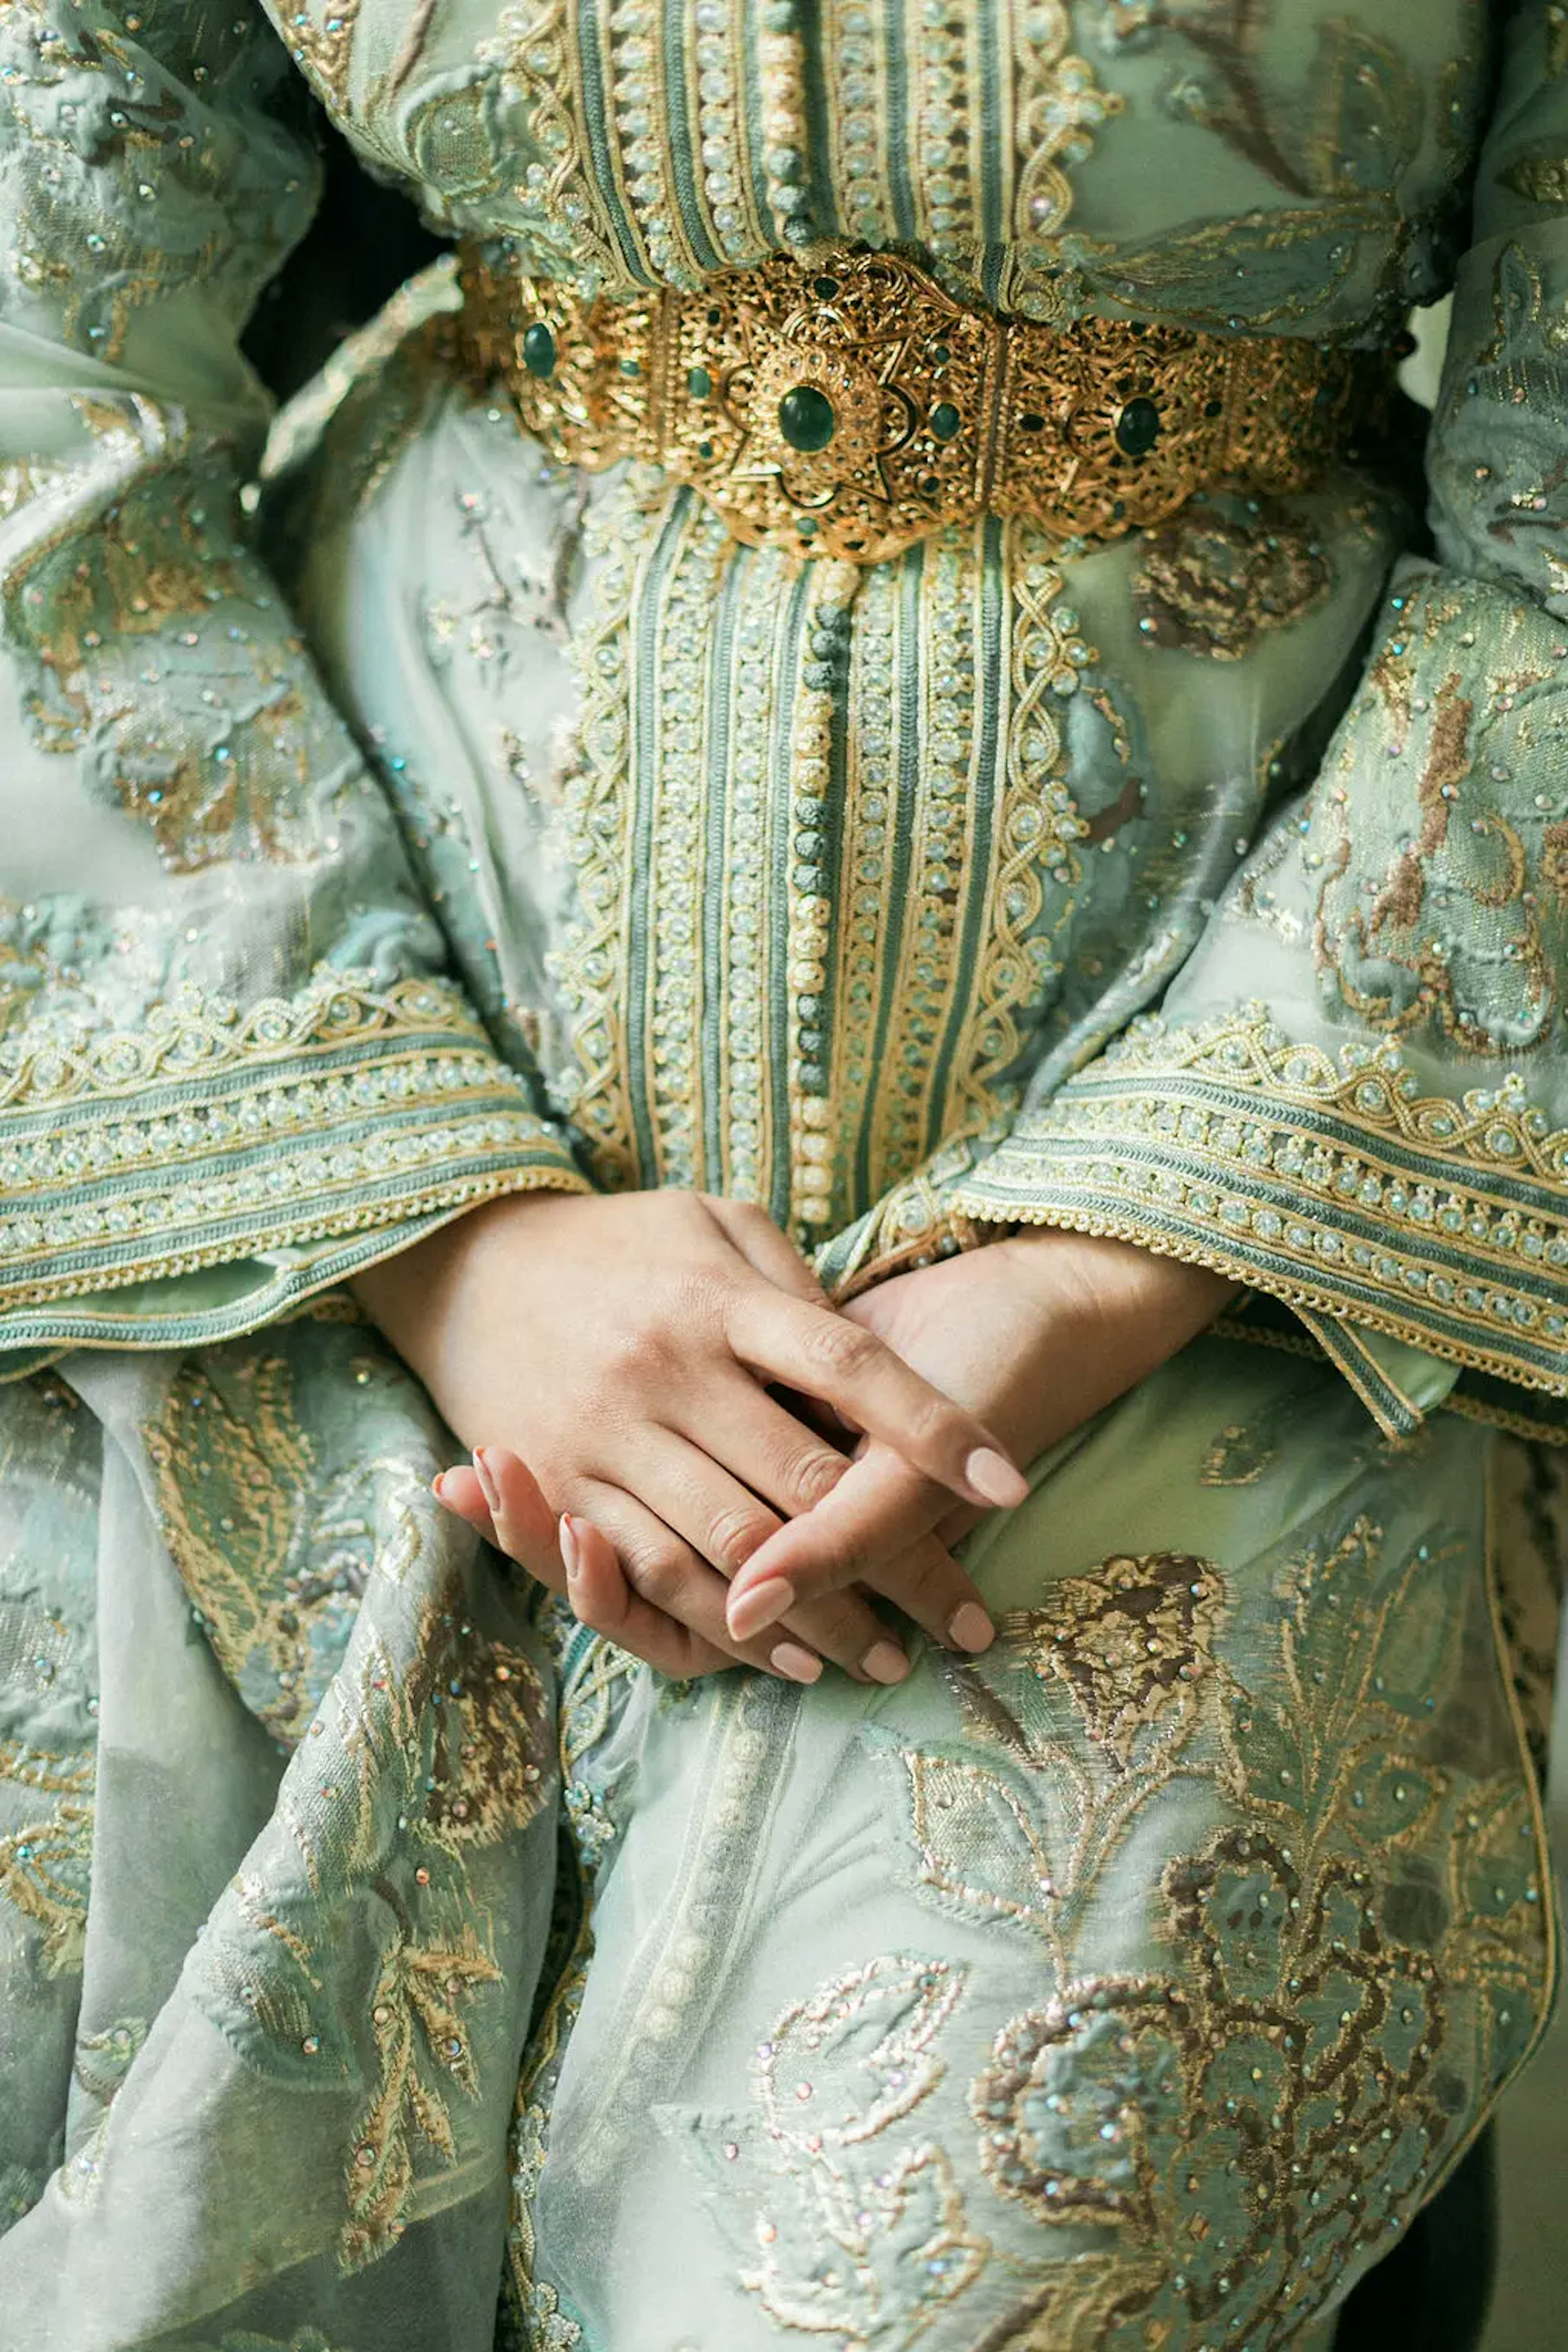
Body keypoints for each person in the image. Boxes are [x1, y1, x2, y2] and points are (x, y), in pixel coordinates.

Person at [0, 3, 1563, 2345]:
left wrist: (1112, 1259)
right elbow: (43, 345)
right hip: (308, 1092)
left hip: (1264, 1154)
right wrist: (442, 1226)